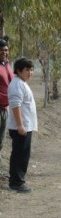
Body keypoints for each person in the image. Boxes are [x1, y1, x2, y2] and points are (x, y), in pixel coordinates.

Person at [7, 58, 37, 193]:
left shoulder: (22, 83)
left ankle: (18, 179)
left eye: (31, 70)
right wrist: (20, 125)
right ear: (18, 71)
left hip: (25, 126)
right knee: (19, 154)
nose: (30, 73)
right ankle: (16, 182)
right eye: (27, 70)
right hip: (21, 127)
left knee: (23, 154)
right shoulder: (17, 84)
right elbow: (15, 105)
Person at [0, 38, 13, 179]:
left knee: (1, 141)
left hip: (5, 108)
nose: (4, 52)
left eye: (6, 49)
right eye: (2, 49)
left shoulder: (7, 64)